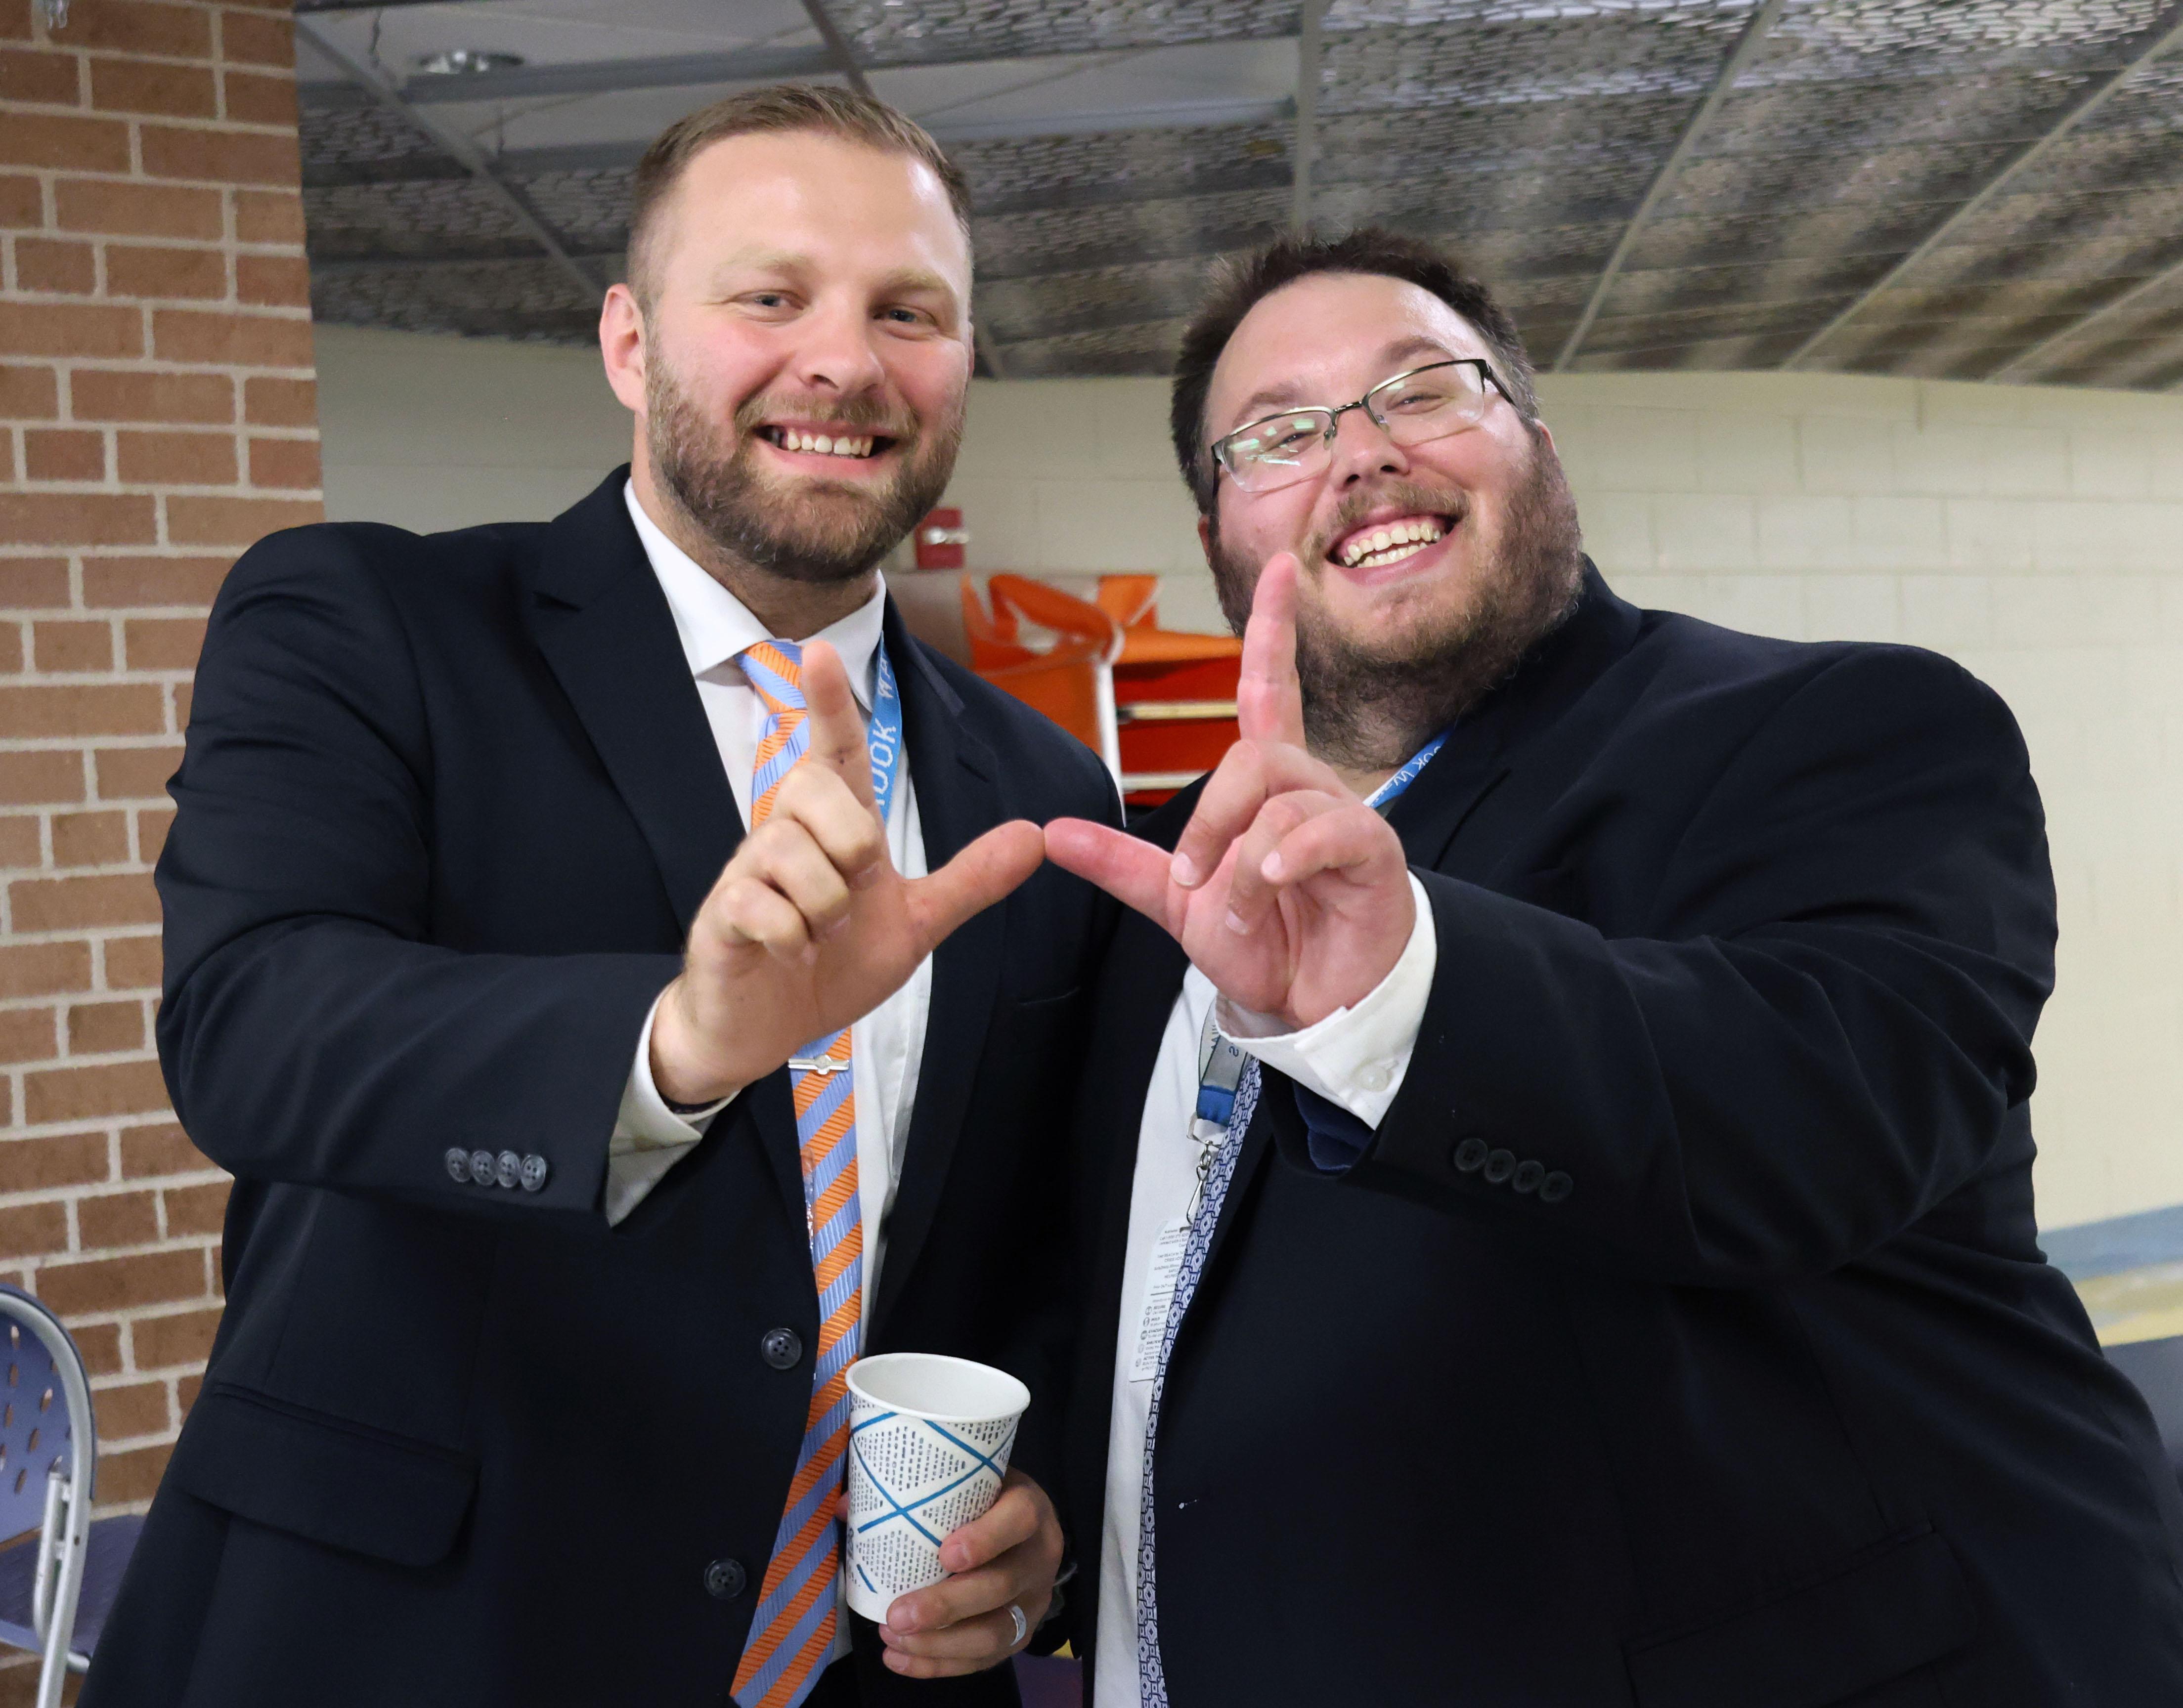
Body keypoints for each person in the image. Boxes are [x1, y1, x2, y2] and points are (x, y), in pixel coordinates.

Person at [1045, 229, 2183, 1706]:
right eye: (1280, 433)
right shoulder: (1162, 888)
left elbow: (1820, 1117)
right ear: (1217, 535)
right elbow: (1161, 1332)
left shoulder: (1839, 732)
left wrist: (1409, 994)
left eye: (1424, 390)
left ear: (1539, 441)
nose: (1364, 453)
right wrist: (1049, 1535)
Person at [84, 86, 1113, 1708]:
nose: (844, 362)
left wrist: (1040, 1512)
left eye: (908, 313)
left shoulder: (1046, 793)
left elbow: (1040, 1241)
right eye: (771, 295)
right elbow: (254, 1026)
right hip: (412, 1647)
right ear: (631, 344)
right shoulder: (369, 623)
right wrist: (670, 1044)